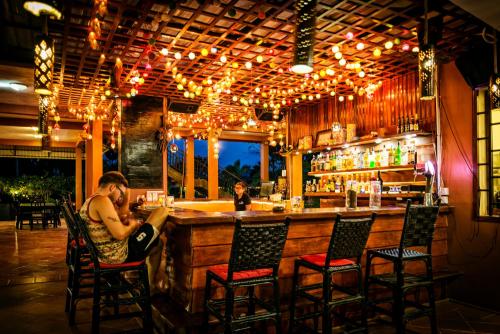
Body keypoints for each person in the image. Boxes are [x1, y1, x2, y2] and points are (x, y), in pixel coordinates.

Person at [79, 171, 169, 294]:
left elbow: (114, 223)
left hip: (106, 254)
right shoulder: (102, 201)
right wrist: (133, 225)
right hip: (119, 256)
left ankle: (149, 286)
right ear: (112, 187)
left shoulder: (90, 201)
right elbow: (120, 234)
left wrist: (125, 220)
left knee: (157, 244)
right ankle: (150, 287)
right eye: (120, 193)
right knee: (162, 211)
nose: (120, 197)